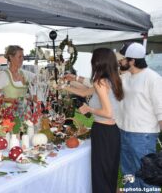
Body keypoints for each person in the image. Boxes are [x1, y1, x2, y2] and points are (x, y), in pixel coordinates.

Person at [61, 48, 124, 193]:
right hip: (113, 132)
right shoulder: (113, 80)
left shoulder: (99, 82)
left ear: (97, 62)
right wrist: (64, 87)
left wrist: (89, 109)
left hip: (103, 132)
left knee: (101, 175)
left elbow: (108, 112)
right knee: (109, 173)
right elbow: (84, 92)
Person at [118, 42, 162, 192]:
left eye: (123, 59)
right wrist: (77, 79)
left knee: (147, 174)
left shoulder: (153, 78)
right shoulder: (125, 77)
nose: (120, 61)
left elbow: (160, 109)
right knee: (128, 172)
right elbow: (105, 85)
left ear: (132, 61)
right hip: (123, 132)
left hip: (143, 135)